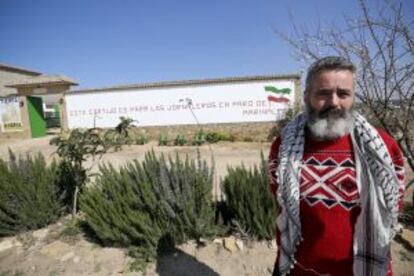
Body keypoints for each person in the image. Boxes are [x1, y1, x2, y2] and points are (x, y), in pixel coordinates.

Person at [268, 56, 405, 276]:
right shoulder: (284, 146)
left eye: (343, 94)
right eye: (323, 93)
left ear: (353, 97)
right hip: (298, 269)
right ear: (306, 97)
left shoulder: (383, 148)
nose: (334, 102)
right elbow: (281, 202)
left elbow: (393, 207)